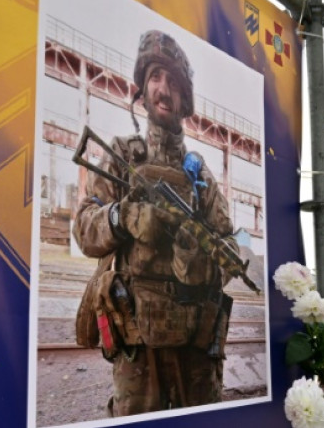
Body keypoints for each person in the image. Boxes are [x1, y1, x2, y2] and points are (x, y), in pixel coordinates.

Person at [72, 30, 237, 416]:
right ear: (142, 91)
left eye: (174, 82)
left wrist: (197, 260)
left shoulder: (202, 179)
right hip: (139, 353)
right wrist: (123, 217)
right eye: (156, 78)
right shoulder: (120, 157)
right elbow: (83, 227)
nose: (164, 89)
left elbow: (230, 255)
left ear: (184, 102)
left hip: (194, 352)